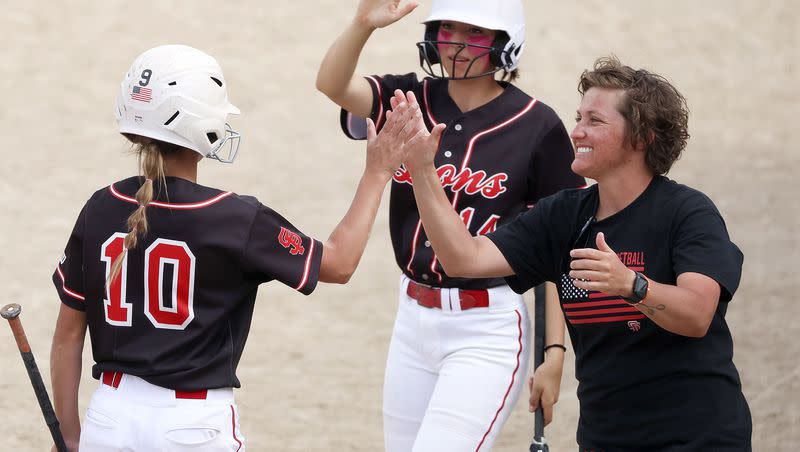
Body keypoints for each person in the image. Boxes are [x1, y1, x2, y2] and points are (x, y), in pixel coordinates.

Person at [49, 44, 417, 452]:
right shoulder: (235, 217)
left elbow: (67, 336)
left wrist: (67, 433)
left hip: (110, 420)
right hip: (191, 428)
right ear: (200, 123)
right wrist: (377, 172)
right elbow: (340, 263)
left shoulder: (100, 206)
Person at [392, 56, 753, 451]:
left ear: (642, 137)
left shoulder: (687, 212)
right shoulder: (564, 216)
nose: (577, 131)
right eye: (578, 117)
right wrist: (423, 172)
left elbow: (698, 314)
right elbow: (464, 259)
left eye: (595, 121)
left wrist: (633, 286)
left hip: (699, 439)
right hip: (606, 440)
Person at [316, 0, 585, 450]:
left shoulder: (538, 126)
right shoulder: (406, 99)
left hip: (488, 326)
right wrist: (362, 25)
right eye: (447, 30)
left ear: (505, 44)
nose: (456, 45)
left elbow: (560, 251)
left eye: (474, 33)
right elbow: (332, 84)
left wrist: (555, 352)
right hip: (412, 319)